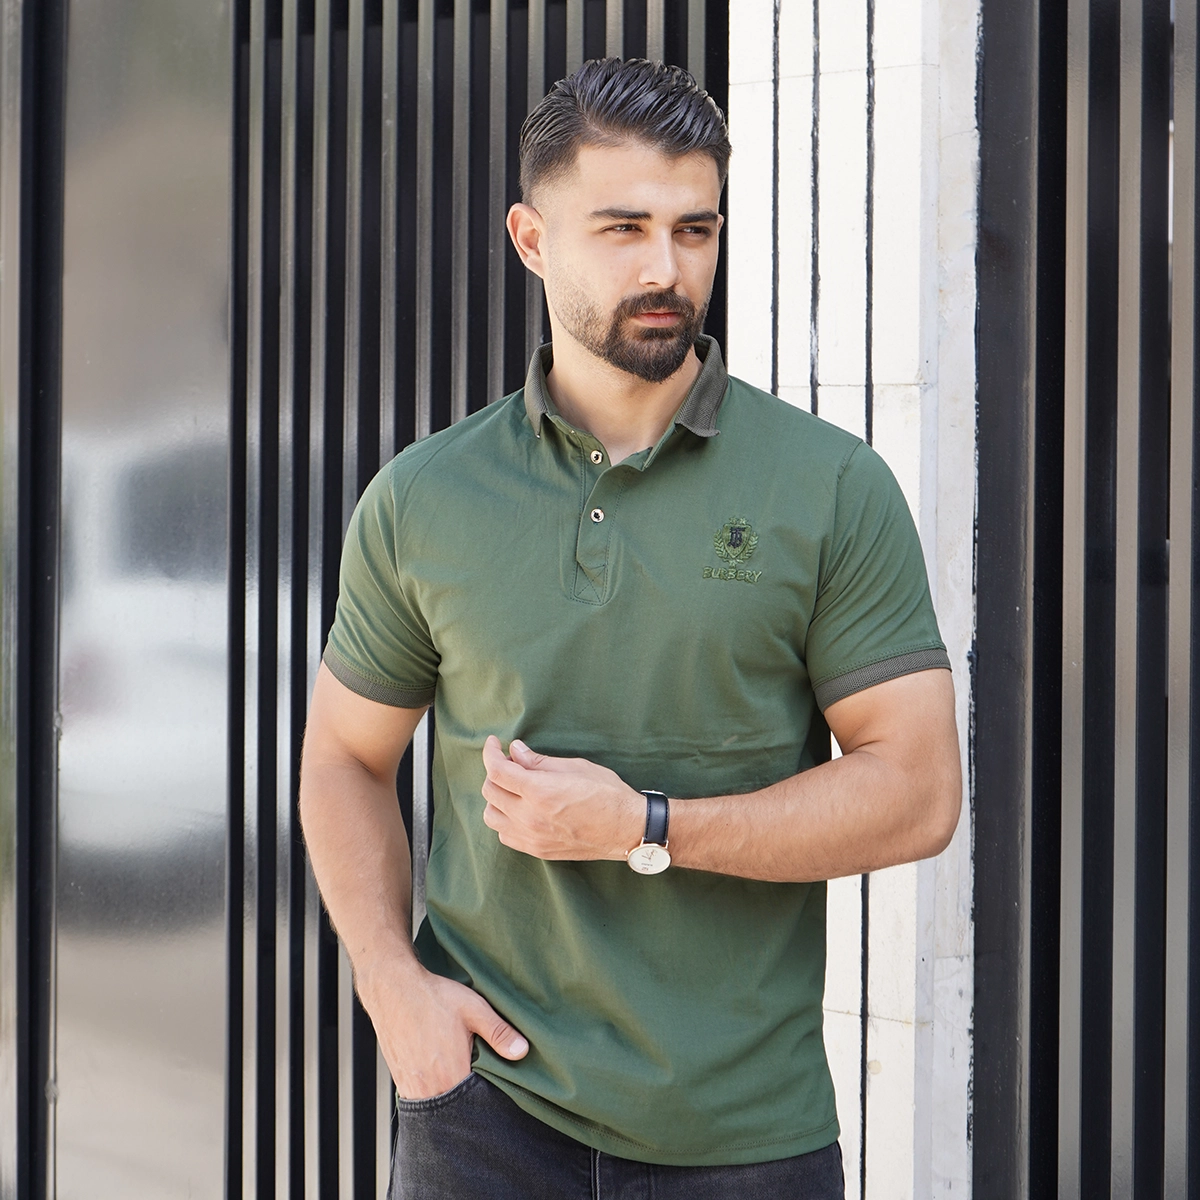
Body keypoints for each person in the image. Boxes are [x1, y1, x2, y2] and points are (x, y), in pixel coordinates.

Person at [299, 57, 961, 1200]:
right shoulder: (425, 499)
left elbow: (919, 789)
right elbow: (343, 762)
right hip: (482, 1124)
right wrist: (391, 986)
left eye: (694, 230)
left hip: (746, 1138)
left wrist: (647, 826)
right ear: (531, 238)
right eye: (623, 229)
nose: (667, 269)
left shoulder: (830, 488)